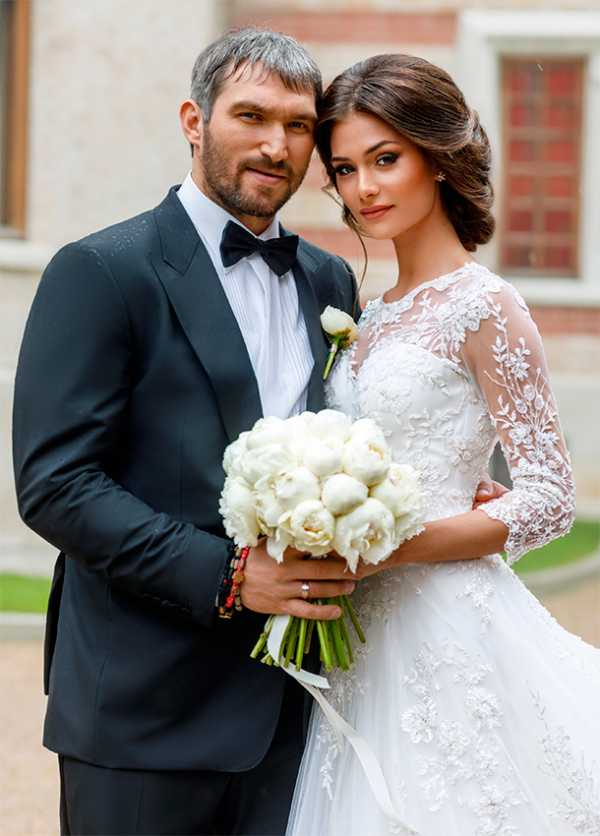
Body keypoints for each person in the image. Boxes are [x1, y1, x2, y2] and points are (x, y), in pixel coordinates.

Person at [12, 30, 504, 836]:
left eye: (298, 125)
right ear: (194, 121)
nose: (276, 145)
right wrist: (230, 576)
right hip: (143, 713)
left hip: (299, 715)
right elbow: (57, 485)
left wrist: (437, 494)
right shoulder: (102, 271)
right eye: (251, 116)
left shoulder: (329, 280)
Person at [286, 54, 600, 836]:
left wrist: (392, 548)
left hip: (449, 627)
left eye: (385, 159)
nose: (364, 188)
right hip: (359, 638)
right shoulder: (367, 314)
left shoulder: (486, 306)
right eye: (346, 169)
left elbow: (551, 497)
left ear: (436, 156)